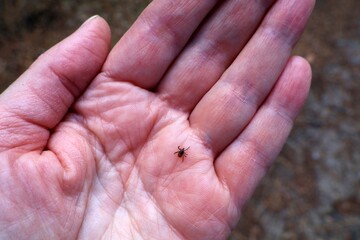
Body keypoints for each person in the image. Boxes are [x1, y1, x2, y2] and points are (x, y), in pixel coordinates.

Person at [0, 0, 315, 239]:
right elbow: (183, 150)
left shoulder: (180, 150)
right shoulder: (181, 151)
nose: (180, 153)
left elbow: (182, 151)